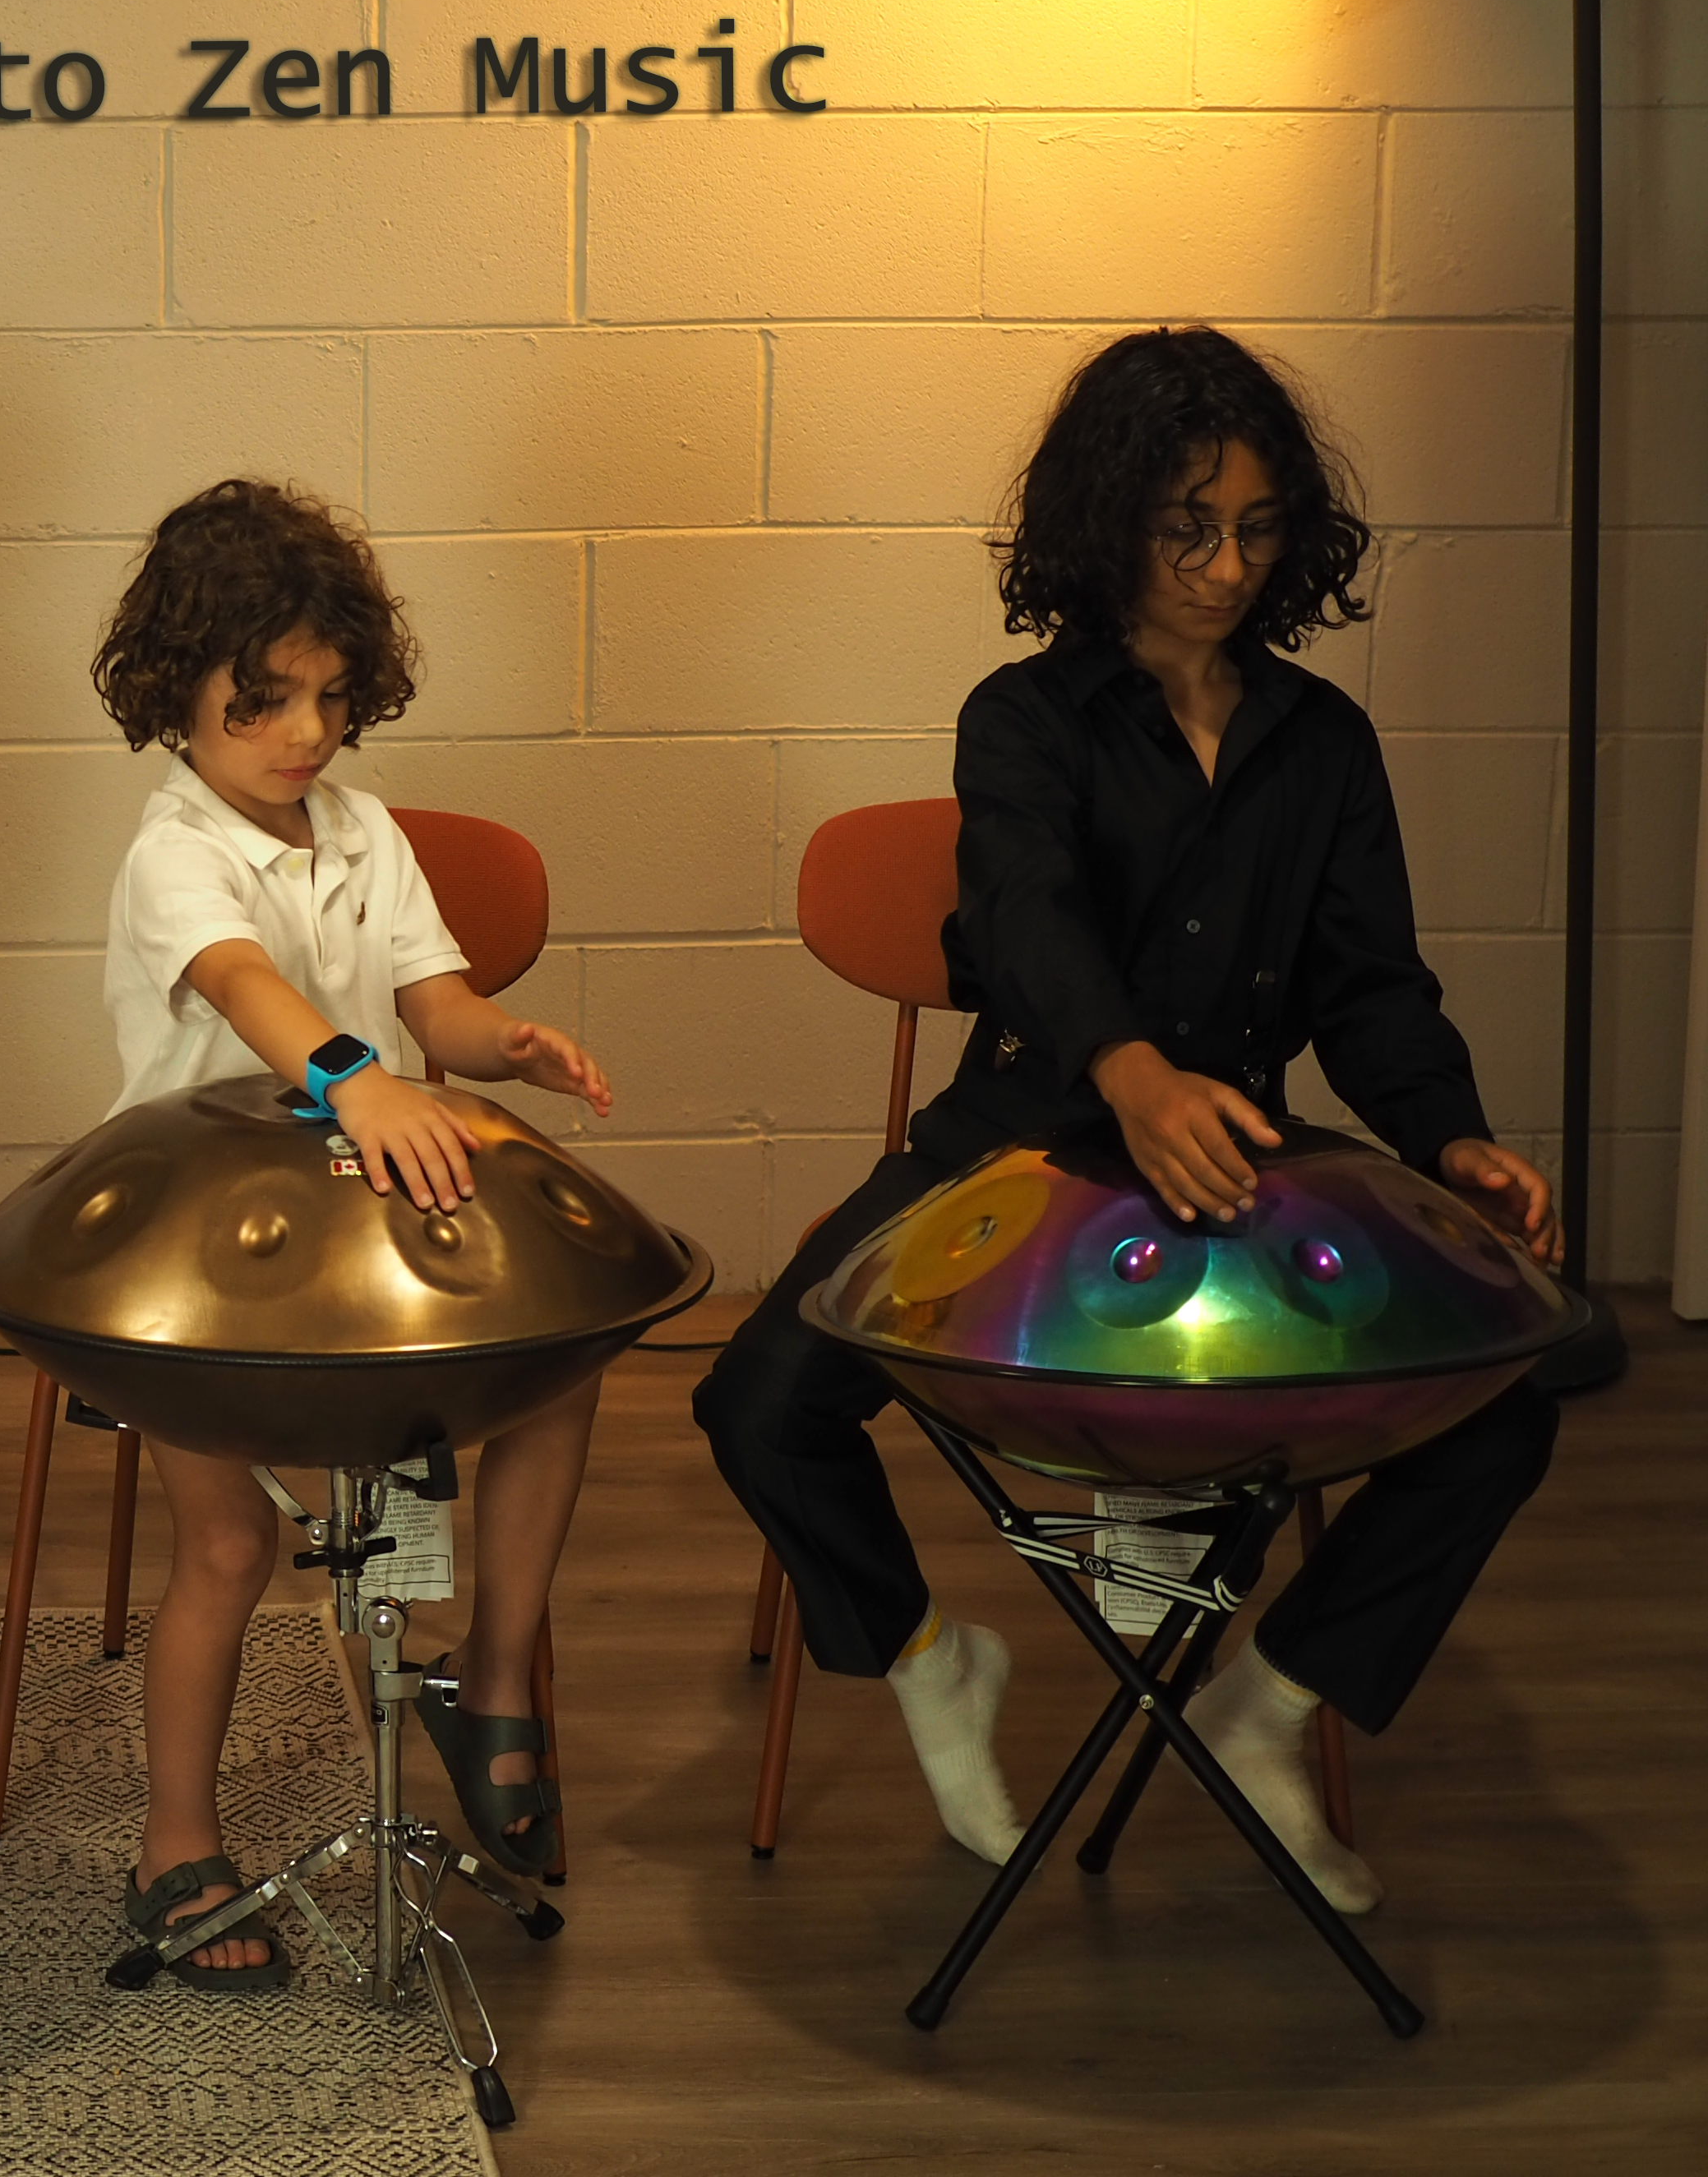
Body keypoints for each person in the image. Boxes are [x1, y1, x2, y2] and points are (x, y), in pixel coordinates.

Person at [693, 326, 1560, 1912]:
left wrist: (1452, 1139)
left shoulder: (1325, 744)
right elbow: (1025, 916)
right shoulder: (1025, 717)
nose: (1226, 567)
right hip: (1026, 1125)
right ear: (1110, 526)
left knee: (1519, 1396)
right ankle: (929, 1662)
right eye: (1187, 529)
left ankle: (1269, 1703)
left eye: (1256, 528)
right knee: (758, 1402)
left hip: (1240, 1151)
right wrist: (1128, 1073)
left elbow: (1372, 988)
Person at [86, 479, 617, 1987]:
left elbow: (430, 1000)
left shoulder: (365, 828)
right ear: (175, 688)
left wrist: (497, 1044)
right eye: (262, 700)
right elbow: (255, 990)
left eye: (329, 697)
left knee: (564, 1358)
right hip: (200, 1242)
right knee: (232, 1540)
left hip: (362, 1211)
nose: (304, 732)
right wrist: (353, 1072)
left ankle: (492, 1674)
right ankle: (173, 1845)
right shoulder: (172, 850)